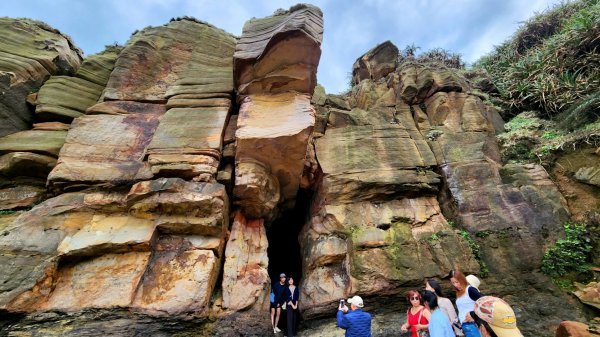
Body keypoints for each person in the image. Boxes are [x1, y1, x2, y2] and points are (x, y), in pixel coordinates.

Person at [450, 269, 482, 337]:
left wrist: (472, 314)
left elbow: (484, 302)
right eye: (453, 283)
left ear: (462, 280)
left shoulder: (470, 290)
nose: (455, 285)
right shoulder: (459, 292)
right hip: (465, 326)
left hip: (472, 324)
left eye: (457, 282)